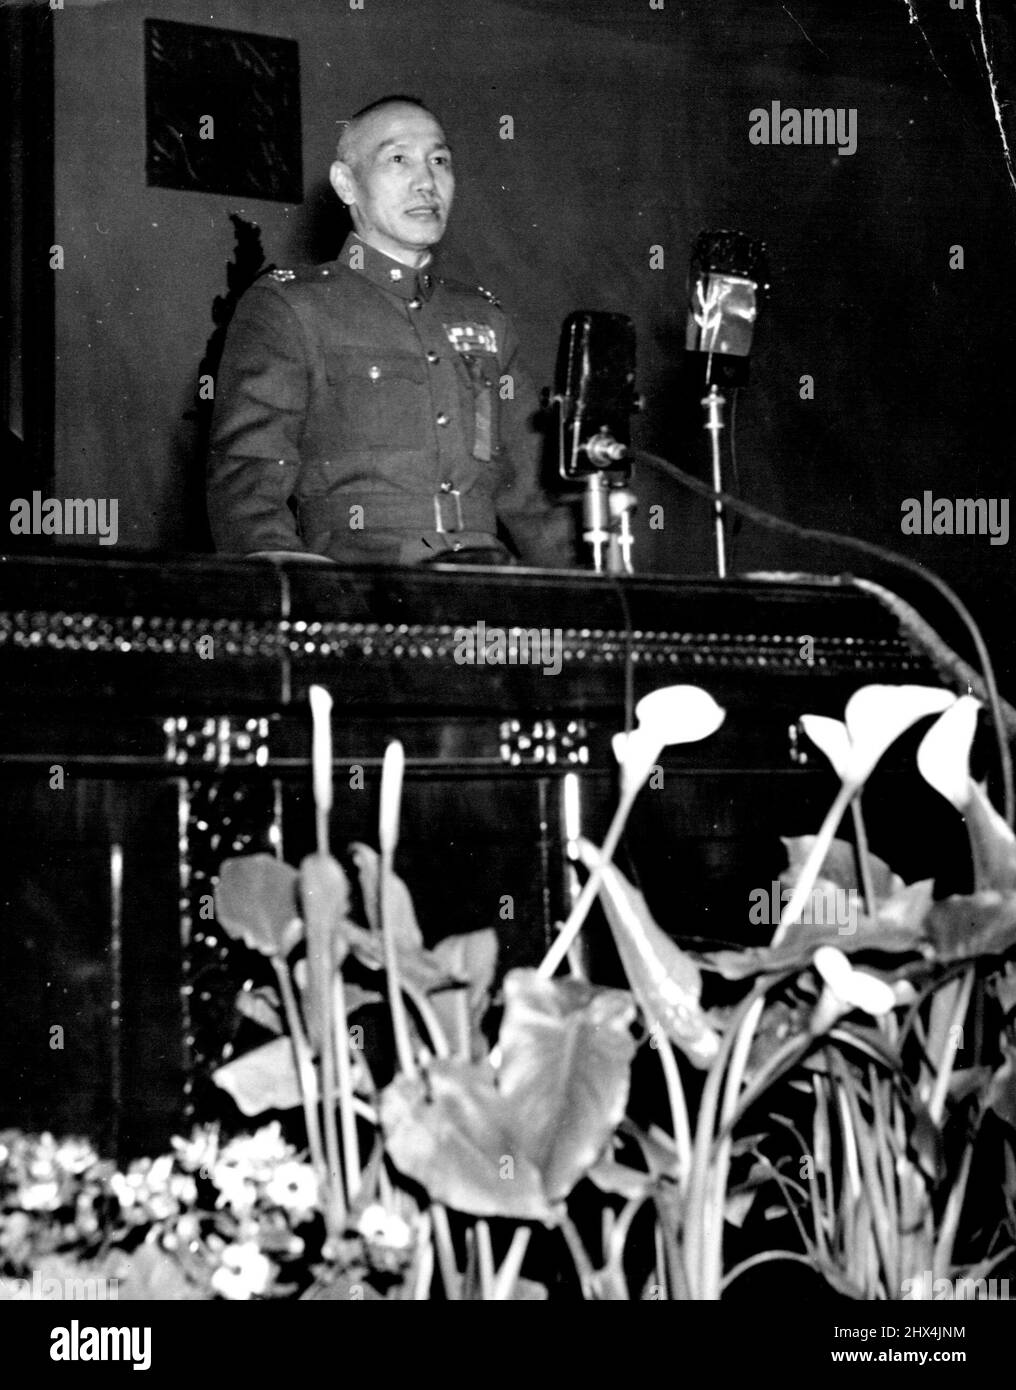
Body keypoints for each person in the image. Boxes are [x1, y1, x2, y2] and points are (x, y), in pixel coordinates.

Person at [207, 95, 576, 567]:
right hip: (361, 591)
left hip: (486, 587)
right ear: (347, 184)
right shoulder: (291, 306)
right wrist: (305, 599)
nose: (426, 182)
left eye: (439, 161)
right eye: (398, 159)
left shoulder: (484, 318)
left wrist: (589, 601)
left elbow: (533, 494)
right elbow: (248, 478)